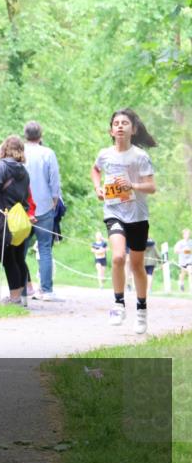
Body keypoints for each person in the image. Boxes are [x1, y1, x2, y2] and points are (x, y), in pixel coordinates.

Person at [91, 108, 157, 334]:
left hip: (138, 216)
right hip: (114, 211)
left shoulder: (140, 156)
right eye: (116, 123)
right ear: (111, 130)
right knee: (118, 257)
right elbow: (95, 169)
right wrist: (98, 187)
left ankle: (141, 309)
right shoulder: (105, 153)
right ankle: (118, 304)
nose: (120, 126)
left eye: (125, 123)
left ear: (133, 129)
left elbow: (152, 187)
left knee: (137, 265)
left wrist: (133, 186)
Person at [0, 136, 31, 304]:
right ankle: (20, 296)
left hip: (1, 217)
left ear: (4, 148)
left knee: (8, 259)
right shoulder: (24, 172)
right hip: (18, 219)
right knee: (19, 258)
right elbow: (25, 196)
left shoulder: (1, 166)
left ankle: (14, 297)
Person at [22, 122, 62, 301]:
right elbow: (54, 177)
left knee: (20, 248)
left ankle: (20, 287)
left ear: (25, 135)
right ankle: (46, 289)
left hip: (23, 207)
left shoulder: (19, 151)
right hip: (44, 205)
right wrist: (55, 198)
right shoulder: (48, 153)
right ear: (40, 135)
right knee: (45, 248)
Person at [176, 228, 192, 292]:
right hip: (182, 261)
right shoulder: (180, 242)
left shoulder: (191, 242)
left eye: (188, 234)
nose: (187, 235)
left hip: (190, 260)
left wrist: (189, 251)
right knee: (183, 274)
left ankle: (191, 288)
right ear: (183, 235)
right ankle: (181, 284)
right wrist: (183, 251)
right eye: (186, 234)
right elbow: (176, 250)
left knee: (190, 272)